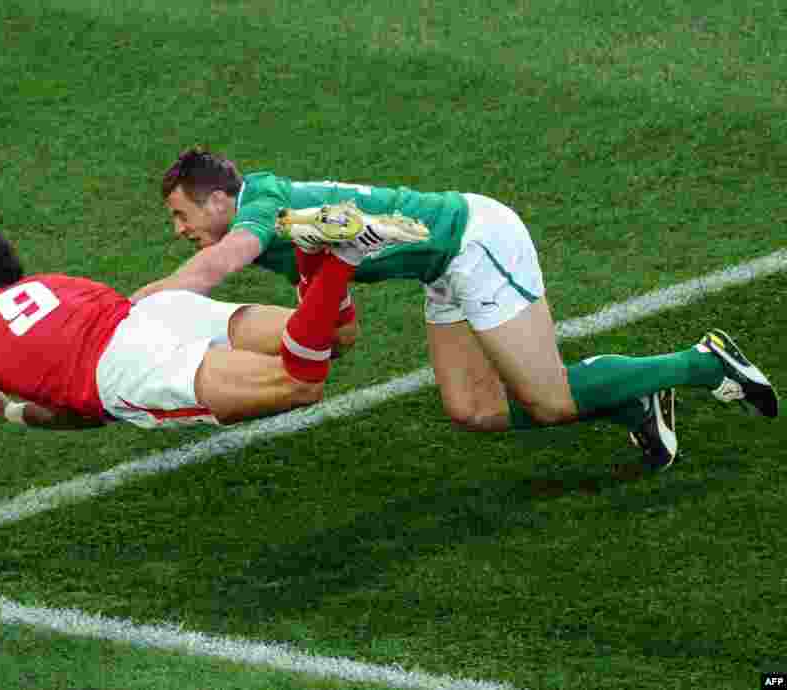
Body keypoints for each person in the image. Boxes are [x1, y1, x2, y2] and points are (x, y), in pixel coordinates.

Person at [132, 146, 780, 470]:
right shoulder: (288, 235)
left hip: (473, 242)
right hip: (438, 269)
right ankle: (632, 401)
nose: (179, 230)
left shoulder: (264, 206)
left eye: (181, 215)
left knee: (549, 399)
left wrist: (132, 310)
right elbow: (345, 332)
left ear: (217, 199)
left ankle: (701, 363)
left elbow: (218, 265)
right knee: (472, 410)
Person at [0, 228, 421, 456]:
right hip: (155, 314)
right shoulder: (56, 282)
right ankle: (318, 263)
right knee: (333, 336)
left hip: (128, 366)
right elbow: (77, 397)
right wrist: (17, 409)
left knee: (299, 385)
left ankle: (332, 257)